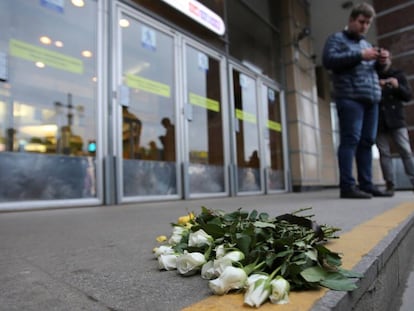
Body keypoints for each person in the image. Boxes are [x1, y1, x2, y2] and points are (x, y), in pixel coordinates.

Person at [322, 2, 391, 199]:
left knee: (367, 142)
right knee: (350, 140)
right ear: (352, 19)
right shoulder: (336, 39)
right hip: (349, 97)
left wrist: (382, 62)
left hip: (371, 99)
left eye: (368, 23)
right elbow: (329, 60)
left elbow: (375, 71)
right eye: (361, 22)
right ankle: (347, 186)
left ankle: (366, 184)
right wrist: (360, 55)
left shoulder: (366, 44)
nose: (364, 26)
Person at [376, 55, 414, 196]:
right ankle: (389, 184)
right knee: (384, 152)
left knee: (405, 150)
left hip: (397, 119)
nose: (383, 59)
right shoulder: (373, 76)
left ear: (390, 59)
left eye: (385, 57)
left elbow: (408, 95)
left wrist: (397, 86)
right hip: (379, 120)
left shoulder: (398, 75)